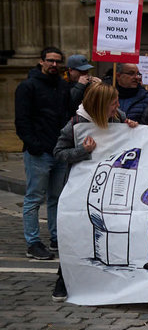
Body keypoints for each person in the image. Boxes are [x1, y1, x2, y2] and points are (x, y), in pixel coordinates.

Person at [51, 82, 139, 300]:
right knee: (75, 231)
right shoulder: (76, 123)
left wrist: (130, 128)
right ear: (100, 105)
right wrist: (82, 150)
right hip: (80, 187)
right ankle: (63, 279)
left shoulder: (117, 117)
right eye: (113, 103)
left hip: (110, 188)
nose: (118, 106)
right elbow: (59, 153)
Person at [14, 47, 72, 260]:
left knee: (56, 198)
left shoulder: (63, 87)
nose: (54, 65)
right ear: (41, 61)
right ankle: (33, 242)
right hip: (39, 152)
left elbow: (67, 114)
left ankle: (56, 238)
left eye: (58, 61)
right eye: (50, 61)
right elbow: (22, 120)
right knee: (34, 198)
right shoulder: (27, 87)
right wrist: (34, 145)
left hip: (59, 151)